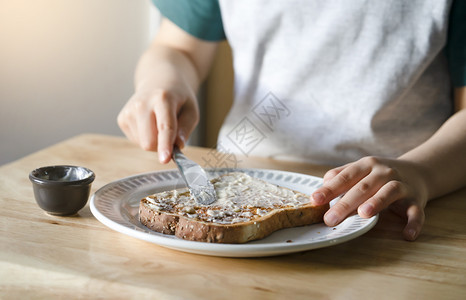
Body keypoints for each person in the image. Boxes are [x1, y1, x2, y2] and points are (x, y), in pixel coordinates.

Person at [118, 0, 466, 241]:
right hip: (233, 169)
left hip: (397, 198)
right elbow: (178, 48)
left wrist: (421, 173)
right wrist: (161, 83)